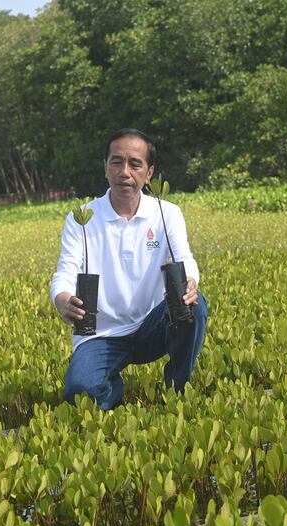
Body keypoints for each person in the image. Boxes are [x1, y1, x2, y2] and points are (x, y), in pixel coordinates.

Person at [51, 128, 207, 409]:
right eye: (116, 162)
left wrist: (190, 281)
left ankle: (178, 389)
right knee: (80, 396)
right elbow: (66, 270)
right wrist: (62, 300)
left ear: (149, 173)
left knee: (194, 305)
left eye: (135, 164)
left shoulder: (166, 212)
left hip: (153, 326)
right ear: (105, 168)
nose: (125, 172)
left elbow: (184, 257)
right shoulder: (82, 219)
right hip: (101, 333)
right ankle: (111, 387)